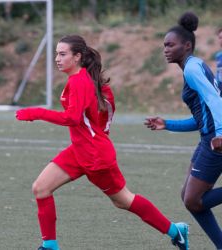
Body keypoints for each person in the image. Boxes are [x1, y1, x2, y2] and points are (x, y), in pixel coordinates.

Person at [16, 35, 189, 250]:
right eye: (56, 54)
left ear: (77, 57)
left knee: (123, 200)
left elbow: (72, 118)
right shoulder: (80, 79)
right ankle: (50, 245)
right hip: (80, 150)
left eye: (62, 54)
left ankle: (176, 231)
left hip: (96, 157)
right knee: (41, 188)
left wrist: (36, 112)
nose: (57, 59)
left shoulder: (80, 81)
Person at [144, 12, 222, 249]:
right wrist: (167, 124)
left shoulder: (192, 69)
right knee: (187, 197)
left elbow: (215, 99)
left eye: (170, 44)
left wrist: (220, 132)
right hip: (207, 137)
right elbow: (201, 118)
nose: (166, 49)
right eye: (164, 45)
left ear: (186, 45)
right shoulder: (194, 65)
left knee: (193, 200)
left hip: (214, 140)